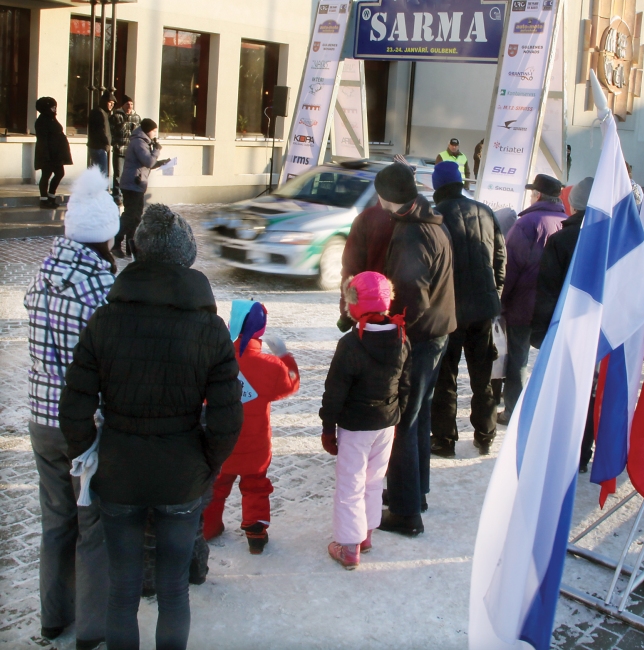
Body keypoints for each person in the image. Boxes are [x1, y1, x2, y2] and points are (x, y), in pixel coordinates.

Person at [59, 204, 243, 650]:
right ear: (186, 258)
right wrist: (207, 463)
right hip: (182, 474)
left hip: (119, 470)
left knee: (122, 590)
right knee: (174, 590)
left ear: (139, 252)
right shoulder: (209, 327)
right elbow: (226, 415)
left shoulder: (105, 319)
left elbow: (74, 407)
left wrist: (90, 451)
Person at [24, 167, 118, 650]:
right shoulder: (99, 288)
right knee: (93, 527)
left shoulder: (43, 273)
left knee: (55, 520)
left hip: (42, 419)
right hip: (85, 424)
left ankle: (52, 619)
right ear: (105, 236)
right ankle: (92, 628)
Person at [375, 163, 456, 536]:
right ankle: (415, 491)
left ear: (388, 198)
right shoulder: (431, 221)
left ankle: (407, 515)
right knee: (419, 415)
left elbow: (411, 297)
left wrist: (396, 336)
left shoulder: (411, 235)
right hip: (438, 332)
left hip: (420, 338)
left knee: (404, 421)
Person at [321, 272, 410, 569]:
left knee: (350, 483)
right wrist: (396, 412)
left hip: (356, 425)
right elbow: (405, 384)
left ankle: (348, 546)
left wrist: (327, 427)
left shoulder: (351, 345)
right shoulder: (400, 336)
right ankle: (366, 534)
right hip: (386, 423)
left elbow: (334, 391)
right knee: (373, 480)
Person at [202, 301, 300, 554]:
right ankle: (256, 532)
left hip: (221, 443)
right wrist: (285, 358)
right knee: (256, 486)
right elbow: (290, 384)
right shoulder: (270, 365)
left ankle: (208, 528)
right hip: (256, 446)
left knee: (216, 486)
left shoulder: (216, 360)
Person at [428, 161, 506, 457]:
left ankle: (445, 440)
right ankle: (485, 434)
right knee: (483, 375)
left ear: (437, 187)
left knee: (445, 377)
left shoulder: (436, 216)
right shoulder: (485, 211)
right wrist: (494, 294)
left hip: (450, 310)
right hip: (483, 308)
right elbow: (501, 257)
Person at [531, 177, 598, 472]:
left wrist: (540, 334)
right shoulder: (611, 238)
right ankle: (583, 452)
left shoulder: (562, 240)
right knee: (590, 393)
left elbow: (547, 291)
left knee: (563, 393)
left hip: (566, 329)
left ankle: (562, 451)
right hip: (597, 330)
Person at [498, 173, 566, 424]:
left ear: (537, 195)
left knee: (518, 359)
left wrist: (501, 300)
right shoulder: (567, 221)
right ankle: (544, 409)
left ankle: (513, 410)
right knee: (550, 360)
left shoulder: (527, 223)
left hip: (524, 304)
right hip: (555, 306)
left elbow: (510, 267)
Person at [337, 199, 396, 331]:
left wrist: (346, 314)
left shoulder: (367, 218)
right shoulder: (419, 219)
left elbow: (351, 269)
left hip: (367, 314)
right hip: (404, 317)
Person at [118, 118, 164, 258]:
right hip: (132, 184)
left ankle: (131, 247)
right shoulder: (139, 142)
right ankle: (115, 242)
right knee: (130, 216)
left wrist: (161, 162)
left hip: (136, 184)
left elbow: (145, 163)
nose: (155, 133)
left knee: (136, 218)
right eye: (154, 130)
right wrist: (156, 151)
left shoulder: (142, 142)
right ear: (147, 130)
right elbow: (148, 161)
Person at [34, 97, 73, 209]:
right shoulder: (42, 121)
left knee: (59, 173)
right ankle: (44, 199)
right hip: (48, 154)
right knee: (46, 175)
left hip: (57, 154)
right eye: (52, 107)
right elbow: (43, 140)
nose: (54, 109)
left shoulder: (52, 119)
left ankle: (51, 195)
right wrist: (46, 155)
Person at [110, 96, 141, 210]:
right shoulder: (116, 116)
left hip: (131, 151)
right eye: (127, 104)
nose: (129, 107)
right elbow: (111, 132)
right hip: (120, 149)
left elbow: (139, 133)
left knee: (130, 175)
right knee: (118, 174)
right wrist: (115, 145)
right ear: (122, 105)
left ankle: (127, 196)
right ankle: (117, 195)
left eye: (131, 104)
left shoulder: (137, 118)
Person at [87, 91, 114, 175]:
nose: (111, 105)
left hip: (98, 146)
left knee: (99, 172)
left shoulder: (102, 112)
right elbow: (102, 131)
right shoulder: (99, 113)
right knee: (102, 173)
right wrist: (107, 142)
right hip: (98, 147)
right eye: (110, 103)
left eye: (113, 103)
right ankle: (100, 188)